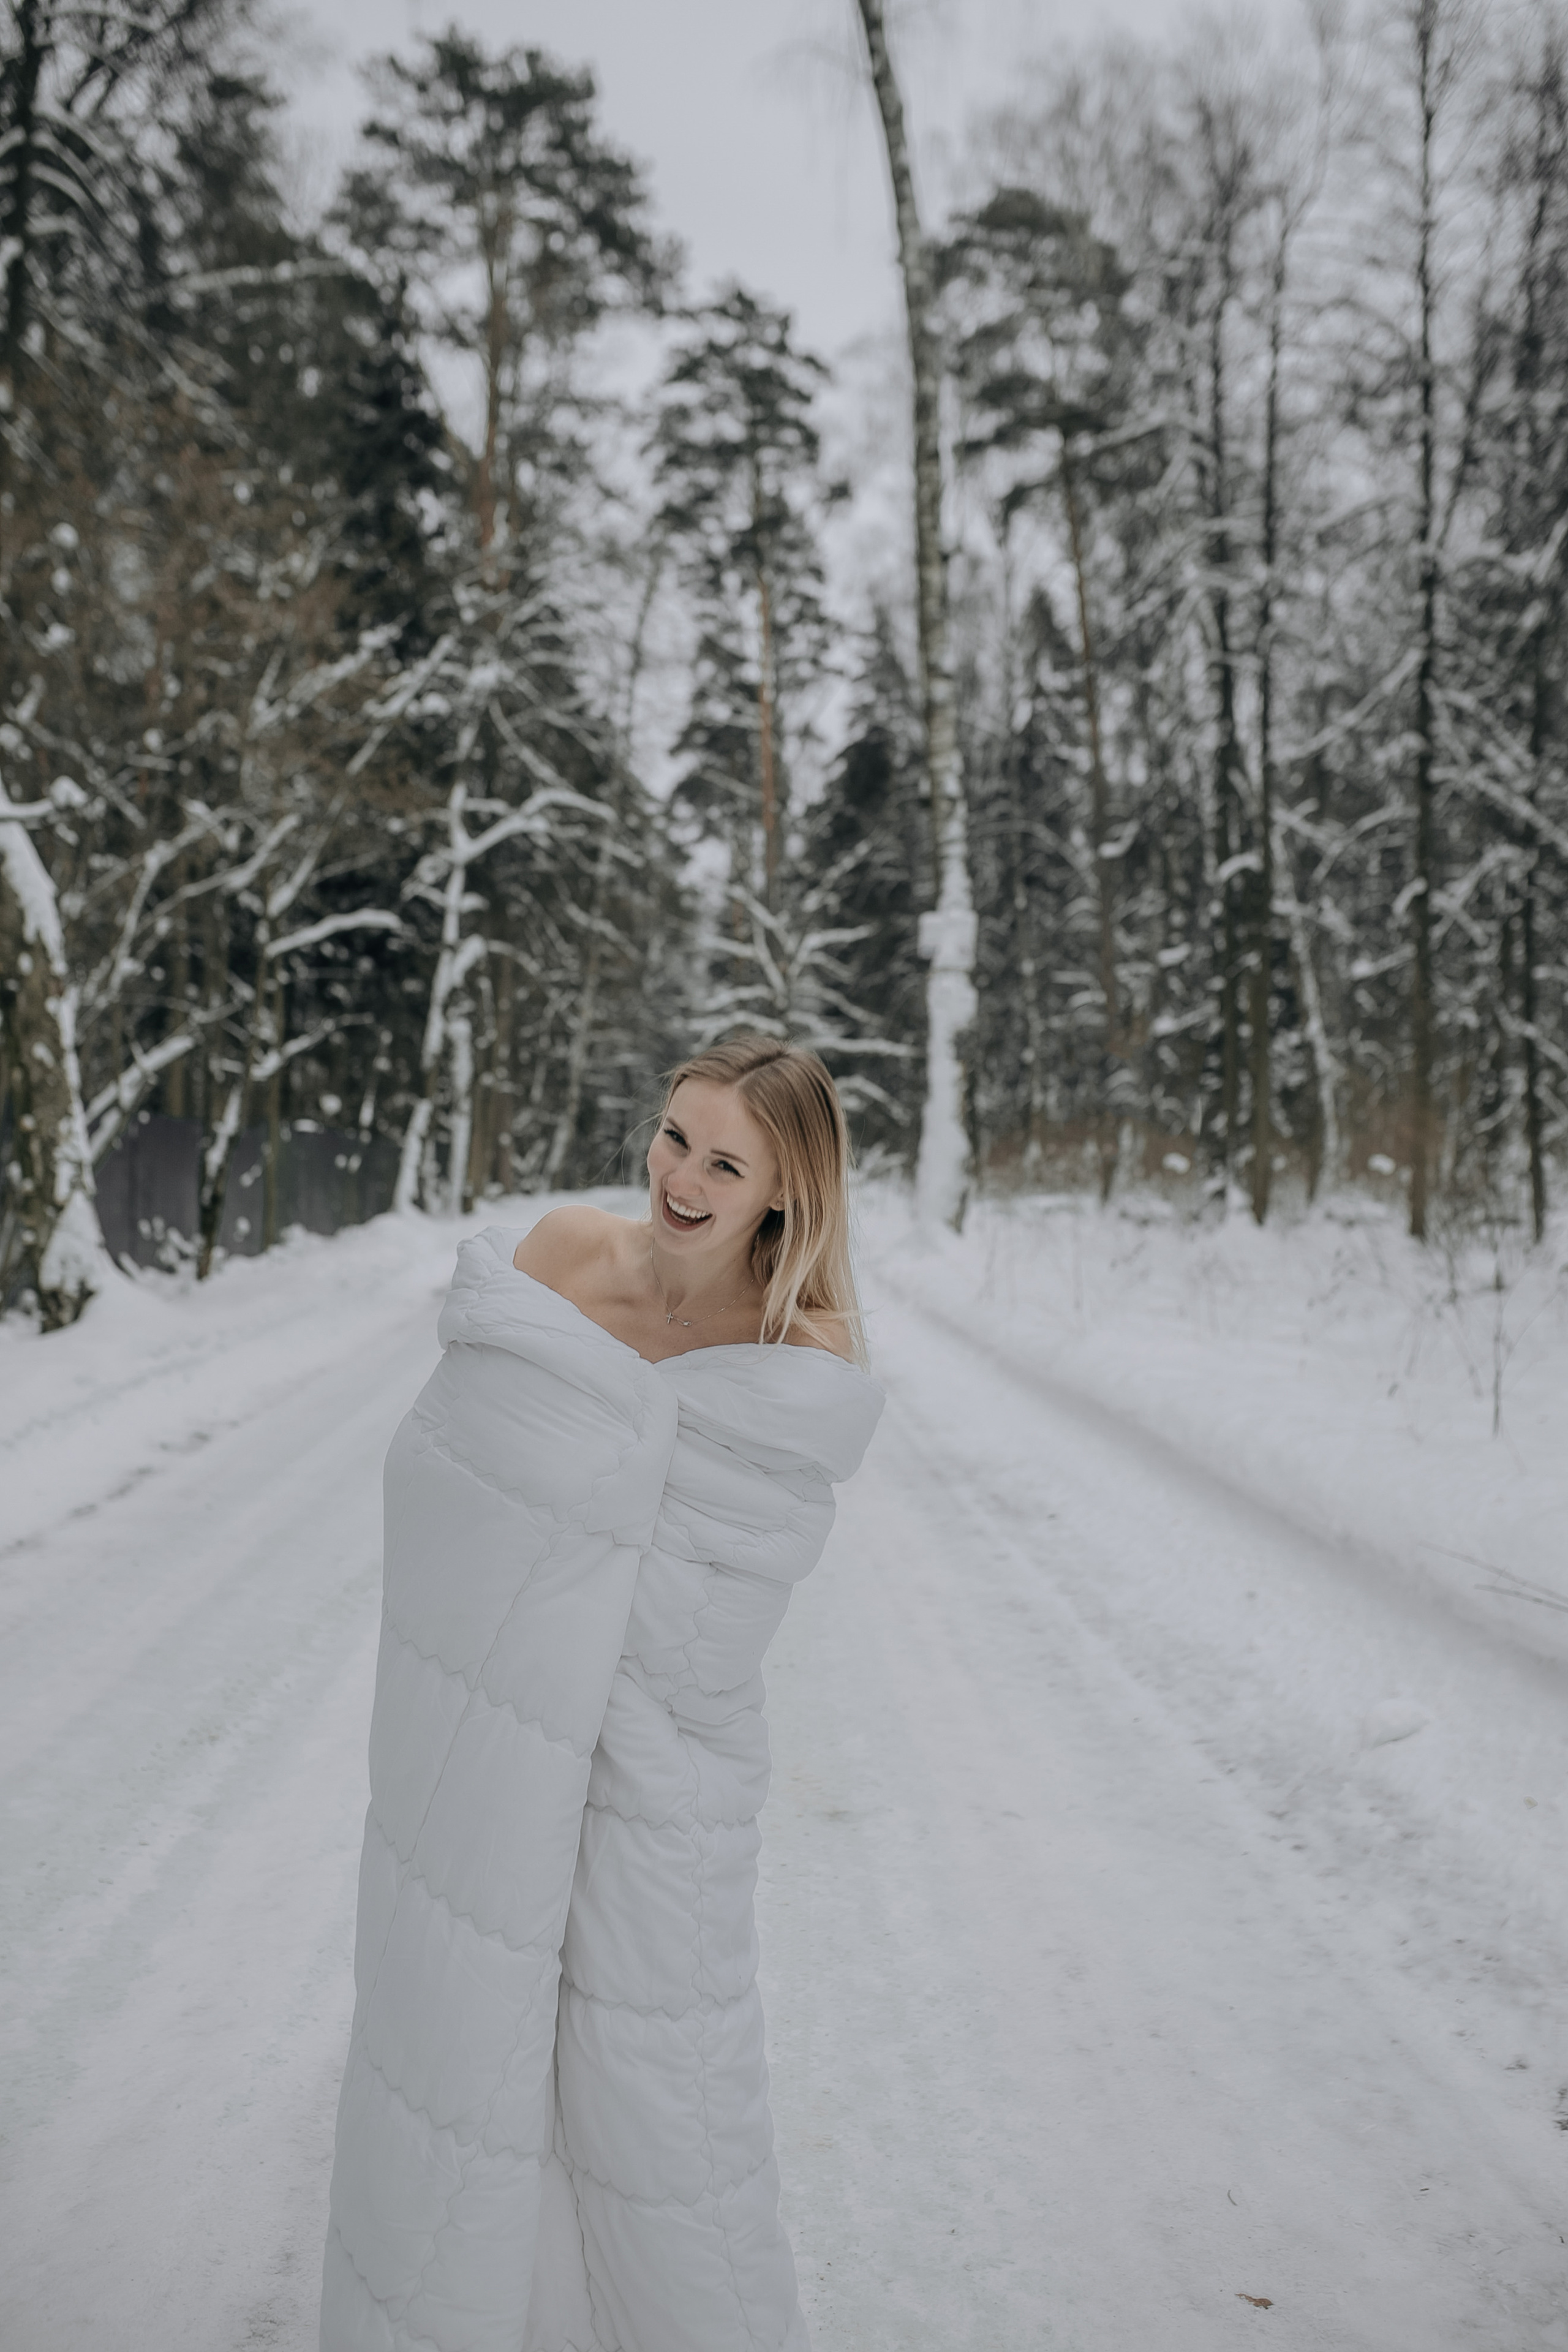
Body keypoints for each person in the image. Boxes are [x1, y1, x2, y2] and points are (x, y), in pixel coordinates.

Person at [320, 1036, 884, 2352]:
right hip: (495, 1710)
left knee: (656, 2081)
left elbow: (731, 1602)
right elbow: (443, 1472)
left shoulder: (806, 1346)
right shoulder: (564, 1255)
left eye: (723, 1160)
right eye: (674, 1135)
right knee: (461, 2046)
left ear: (783, 1190)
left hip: (664, 1754)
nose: (680, 1176)